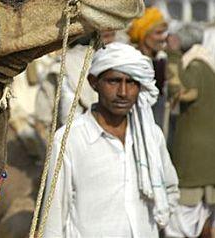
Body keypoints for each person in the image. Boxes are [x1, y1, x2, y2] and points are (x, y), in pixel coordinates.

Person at [42, 42, 179, 238]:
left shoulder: (151, 136)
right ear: (93, 82)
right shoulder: (69, 139)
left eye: (131, 82)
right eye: (113, 81)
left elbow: (170, 189)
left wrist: (151, 223)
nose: (123, 92)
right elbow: (53, 216)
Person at [164, 22, 215, 238]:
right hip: (209, 158)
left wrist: (173, 55)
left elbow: (184, 92)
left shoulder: (195, 65)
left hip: (195, 159)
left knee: (181, 223)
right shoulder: (208, 63)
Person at [127, 6, 170, 132]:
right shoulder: (131, 60)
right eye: (158, 33)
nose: (163, 38)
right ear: (144, 35)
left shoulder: (162, 59)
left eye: (163, 33)